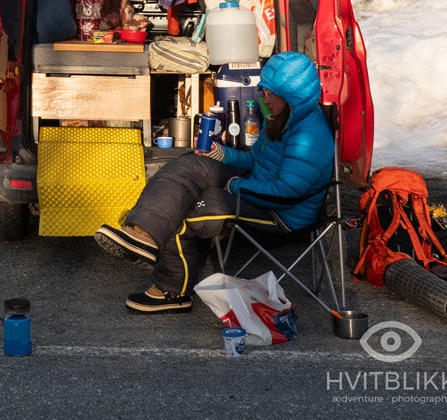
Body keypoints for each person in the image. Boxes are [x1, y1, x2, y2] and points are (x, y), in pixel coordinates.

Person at [94, 51, 334, 313]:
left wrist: (235, 187)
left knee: (188, 208)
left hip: (281, 214)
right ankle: (144, 234)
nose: (264, 98)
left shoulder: (310, 135)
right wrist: (221, 154)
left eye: (270, 93)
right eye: (263, 90)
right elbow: (256, 160)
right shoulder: (281, 117)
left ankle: (172, 292)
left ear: (293, 97)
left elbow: (288, 193)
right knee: (189, 165)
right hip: (257, 189)